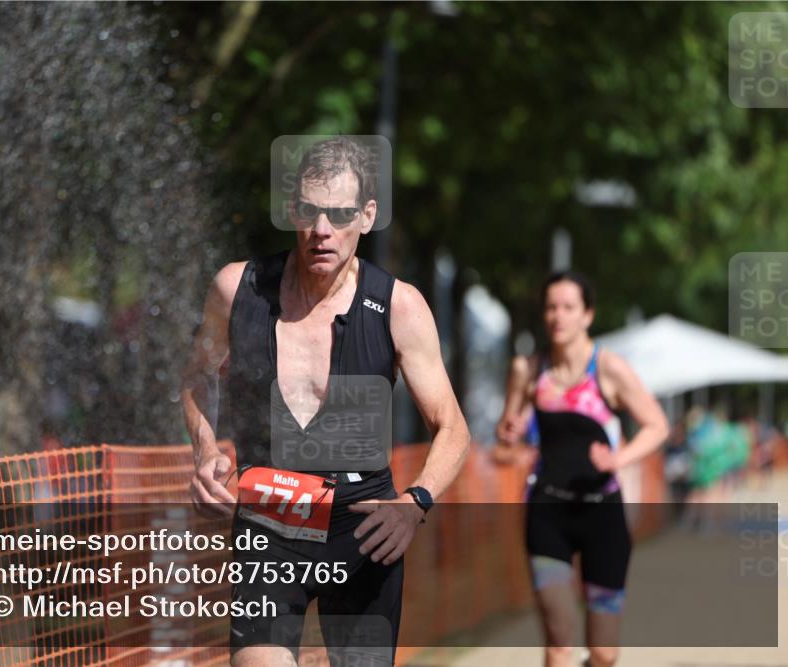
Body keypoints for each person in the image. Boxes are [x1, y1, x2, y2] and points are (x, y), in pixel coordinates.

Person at [181, 136, 470, 666]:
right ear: (292, 208)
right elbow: (198, 378)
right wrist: (205, 448)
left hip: (364, 527)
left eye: (339, 214)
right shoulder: (237, 289)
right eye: (311, 211)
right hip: (271, 516)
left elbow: (451, 425)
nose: (321, 230)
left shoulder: (399, 307)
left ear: (367, 215)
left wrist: (415, 504)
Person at [494, 270, 668, 667]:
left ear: (587, 315)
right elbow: (507, 442)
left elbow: (657, 425)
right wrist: (508, 432)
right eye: (551, 307)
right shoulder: (528, 370)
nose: (558, 316)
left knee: (604, 654)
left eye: (569, 307)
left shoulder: (608, 369)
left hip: (601, 514)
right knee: (559, 642)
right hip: (547, 514)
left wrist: (618, 459)